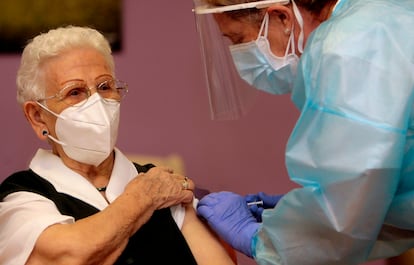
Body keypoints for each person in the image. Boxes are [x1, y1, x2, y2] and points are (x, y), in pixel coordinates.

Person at [191, 0, 414, 264]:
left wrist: (263, 239)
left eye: (239, 39)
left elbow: (344, 211)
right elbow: (374, 187)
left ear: (282, 18)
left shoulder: (349, 48)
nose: (239, 54)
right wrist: (301, 213)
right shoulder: (383, 17)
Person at [0, 25, 236, 265]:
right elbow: (69, 256)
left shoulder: (159, 182)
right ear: (38, 116)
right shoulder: (21, 197)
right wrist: (142, 198)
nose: (96, 103)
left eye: (104, 87)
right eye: (75, 92)